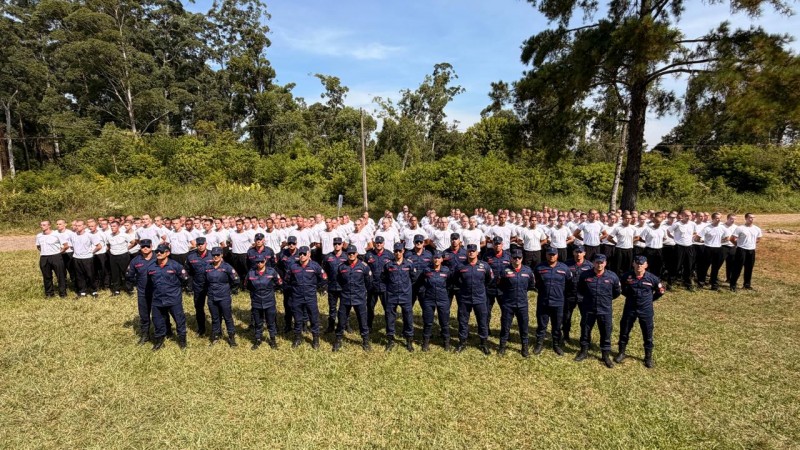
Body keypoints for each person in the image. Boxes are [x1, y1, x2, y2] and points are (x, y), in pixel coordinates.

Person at [615, 255, 665, 368]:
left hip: (646, 310)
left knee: (647, 334)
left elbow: (661, 291)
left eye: (642, 264)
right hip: (630, 308)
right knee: (624, 331)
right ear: (633, 264)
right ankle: (621, 353)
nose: (639, 266)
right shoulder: (626, 276)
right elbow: (621, 289)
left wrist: (650, 299)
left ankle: (648, 357)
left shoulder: (652, 278)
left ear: (646, 265)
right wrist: (629, 297)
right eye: (637, 263)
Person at [575, 253, 621, 368]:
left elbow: (616, 292)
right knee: (585, 330)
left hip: (605, 309)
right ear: (593, 263)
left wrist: (606, 299)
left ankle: (605, 355)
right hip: (588, 308)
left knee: (606, 331)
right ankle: (584, 351)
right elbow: (581, 289)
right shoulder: (585, 275)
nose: (599, 265)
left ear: (605, 263)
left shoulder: (612, 277)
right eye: (597, 262)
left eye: (602, 263)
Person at [453, 244, 494, 355]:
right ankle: (462, 342)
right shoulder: (460, 266)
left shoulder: (484, 266)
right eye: (469, 251)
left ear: (477, 252)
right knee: (463, 321)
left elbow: (489, 279)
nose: (471, 252)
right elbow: (455, 279)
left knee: (482, 321)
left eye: (473, 251)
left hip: (480, 298)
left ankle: (484, 343)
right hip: (465, 298)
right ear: (467, 252)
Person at [148, 244, 189, 350]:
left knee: (179, 320)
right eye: (157, 252)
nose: (158, 253)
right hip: (157, 299)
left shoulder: (176, 266)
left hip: (173, 298)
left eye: (161, 252)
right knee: (157, 321)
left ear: (168, 253)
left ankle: (182, 340)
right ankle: (159, 340)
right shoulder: (151, 266)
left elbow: (185, 279)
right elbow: (149, 283)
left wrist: (176, 290)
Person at [533, 247, 572, 356]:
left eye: (553, 254)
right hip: (543, 301)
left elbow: (569, 283)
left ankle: (556, 344)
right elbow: (535, 282)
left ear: (557, 255)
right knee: (541, 325)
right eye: (549, 254)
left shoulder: (564, 268)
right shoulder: (539, 267)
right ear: (546, 255)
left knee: (557, 325)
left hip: (558, 302)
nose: (551, 256)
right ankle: (539, 344)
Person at [496, 248, 536, 357]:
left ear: (522, 258)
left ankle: (525, 348)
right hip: (508, 304)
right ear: (511, 258)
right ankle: (502, 346)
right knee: (505, 326)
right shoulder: (504, 271)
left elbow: (531, 285)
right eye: (515, 258)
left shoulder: (528, 271)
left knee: (524, 327)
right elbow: (500, 285)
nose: (517, 259)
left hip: (522, 304)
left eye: (519, 257)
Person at [285, 246, 326, 349]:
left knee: (313, 318)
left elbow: (323, 278)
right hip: (297, 297)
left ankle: (315, 339)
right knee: (297, 319)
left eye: (304, 254)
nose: (302, 256)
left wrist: (316, 287)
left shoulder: (315, 266)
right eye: (300, 254)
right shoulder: (293, 266)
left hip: (310, 297)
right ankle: (297, 338)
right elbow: (287, 280)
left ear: (309, 254)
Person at [334, 245, 373, 352]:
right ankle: (338, 339)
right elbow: (339, 280)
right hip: (345, 297)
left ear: (357, 254)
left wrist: (363, 292)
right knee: (341, 319)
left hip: (359, 297)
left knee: (362, 320)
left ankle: (365, 341)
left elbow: (369, 282)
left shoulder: (364, 266)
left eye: (353, 253)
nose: (351, 255)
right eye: (349, 253)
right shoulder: (342, 267)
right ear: (346, 254)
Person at [381, 242, 417, 351]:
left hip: (405, 295)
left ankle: (409, 340)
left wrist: (407, 288)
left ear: (403, 251)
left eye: (400, 251)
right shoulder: (388, 265)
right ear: (393, 252)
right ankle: (390, 340)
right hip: (392, 295)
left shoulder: (409, 264)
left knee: (408, 317)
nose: (398, 253)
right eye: (396, 251)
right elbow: (383, 278)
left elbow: (413, 277)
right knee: (390, 317)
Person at [204, 246, 240, 347]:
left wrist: (230, 290)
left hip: (224, 297)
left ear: (221, 255)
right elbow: (204, 281)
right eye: (213, 255)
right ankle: (216, 335)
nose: (215, 257)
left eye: (217, 255)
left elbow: (236, 279)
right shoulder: (207, 267)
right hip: (212, 297)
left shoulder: (227, 267)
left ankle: (231, 337)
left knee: (227, 317)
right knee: (215, 318)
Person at [126, 239, 160, 344]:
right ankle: (145, 335)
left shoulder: (159, 258)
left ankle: (161, 335)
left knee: (159, 315)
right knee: (144, 315)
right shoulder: (135, 261)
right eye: (143, 246)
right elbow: (129, 275)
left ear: (151, 246)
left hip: (157, 292)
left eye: (147, 246)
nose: (145, 248)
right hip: (142, 292)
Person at [416, 251, 452, 351]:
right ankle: (425, 342)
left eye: (439, 258)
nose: (436, 260)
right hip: (429, 299)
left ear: (442, 259)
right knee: (428, 322)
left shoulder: (446, 271)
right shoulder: (427, 270)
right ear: (432, 259)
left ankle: (446, 342)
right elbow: (420, 282)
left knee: (444, 322)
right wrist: (424, 293)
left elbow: (450, 283)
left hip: (443, 299)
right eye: (435, 258)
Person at [246, 254, 282, 350]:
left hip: (269, 302)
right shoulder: (251, 273)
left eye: (261, 261)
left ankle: (273, 340)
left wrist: (271, 290)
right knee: (258, 323)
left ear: (265, 261)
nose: (259, 263)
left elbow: (279, 282)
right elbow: (247, 285)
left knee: (271, 322)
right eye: (257, 262)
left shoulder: (272, 271)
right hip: (256, 302)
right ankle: (258, 339)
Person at [562, 246, 592, 345]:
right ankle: (565, 336)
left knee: (586, 318)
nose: (578, 254)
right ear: (573, 253)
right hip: (569, 295)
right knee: (566, 317)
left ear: (584, 253)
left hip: (584, 296)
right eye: (576, 252)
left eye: (581, 252)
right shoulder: (566, 264)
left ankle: (585, 338)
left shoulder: (589, 266)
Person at [185, 237, 213, 336]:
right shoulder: (191, 256)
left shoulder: (213, 255)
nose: (200, 246)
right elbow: (188, 272)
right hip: (198, 286)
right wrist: (190, 285)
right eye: (198, 244)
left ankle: (216, 329)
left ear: (206, 244)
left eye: (202, 244)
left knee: (213, 307)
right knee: (199, 307)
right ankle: (201, 329)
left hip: (211, 285)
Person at [483, 236, 510, 334]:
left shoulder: (508, 256)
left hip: (504, 288)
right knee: (486, 310)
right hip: (490, 287)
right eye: (495, 244)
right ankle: (486, 330)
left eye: (499, 244)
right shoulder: (487, 256)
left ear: (502, 245)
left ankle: (505, 332)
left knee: (506, 311)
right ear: (493, 245)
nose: (497, 246)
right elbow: (483, 270)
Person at [729, 213, 762, 291]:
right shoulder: (740, 228)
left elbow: (759, 238)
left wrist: (752, 243)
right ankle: (733, 285)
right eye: (750, 217)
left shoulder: (757, 229)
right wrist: (738, 245)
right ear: (746, 218)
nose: (752, 219)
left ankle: (747, 284)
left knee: (749, 268)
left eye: (753, 218)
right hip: (741, 250)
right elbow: (732, 238)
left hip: (751, 250)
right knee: (737, 268)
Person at [365, 236, 392, 330]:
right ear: (374, 243)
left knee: (388, 308)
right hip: (372, 286)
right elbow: (365, 269)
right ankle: (368, 327)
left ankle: (389, 328)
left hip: (385, 286)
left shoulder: (389, 255)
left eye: (380, 243)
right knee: (370, 308)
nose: (379, 244)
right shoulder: (368, 255)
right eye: (377, 242)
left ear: (383, 243)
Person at [36, 220, 68, 298]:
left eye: (44, 225)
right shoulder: (39, 235)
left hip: (56, 256)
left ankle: (63, 293)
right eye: (41, 225)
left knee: (60, 275)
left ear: (49, 225)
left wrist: (59, 252)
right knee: (46, 276)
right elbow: (38, 246)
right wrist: (45, 251)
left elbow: (66, 246)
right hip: (44, 257)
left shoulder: (56, 234)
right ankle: (49, 293)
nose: (42, 226)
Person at [322, 237, 348, 333]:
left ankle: (346, 325)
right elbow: (324, 271)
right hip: (332, 286)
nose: (337, 245)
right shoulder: (328, 257)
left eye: (339, 244)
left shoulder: (346, 256)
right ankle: (331, 326)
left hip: (344, 287)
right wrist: (325, 284)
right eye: (335, 244)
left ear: (342, 245)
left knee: (345, 307)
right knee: (332, 308)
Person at [69, 220, 101, 298]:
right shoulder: (72, 235)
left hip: (87, 258)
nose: (77, 227)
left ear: (84, 226)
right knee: (79, 275)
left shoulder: (90, 235)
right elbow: (71, 246)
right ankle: (82, 291)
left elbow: (99, 246)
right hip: (76, 258)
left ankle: (94, 291)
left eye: (79, 225)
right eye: (76, 226)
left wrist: (92, 252)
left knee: (90, 275)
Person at [106, 221, 133, 296]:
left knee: (126, 273)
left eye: (114, 226)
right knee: (115, 274)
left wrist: (127, 248)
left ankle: (129, 289)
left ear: (118, 227)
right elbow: (108, 245)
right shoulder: (109, 236)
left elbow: (133, 242)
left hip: (123, 256)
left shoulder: (124, 235)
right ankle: (116, 290)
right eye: (111, 226)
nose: (112, 228)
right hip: (113, 256)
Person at [405, 234, 432, 307]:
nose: (419, 243)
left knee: (426, 307)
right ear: (413, 242)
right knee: (408, 307)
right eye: (417, 242)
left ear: (423, 243)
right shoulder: (407, 254)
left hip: (424, 285)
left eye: (420, 242)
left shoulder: (429, 254)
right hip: (411, 284)